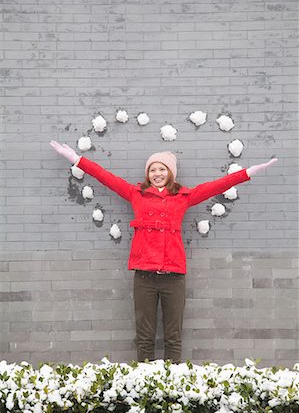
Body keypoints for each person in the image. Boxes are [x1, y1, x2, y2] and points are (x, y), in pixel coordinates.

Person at [49, 140, 277, 363]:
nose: (157, 173)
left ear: (170, 173)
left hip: (174, 276)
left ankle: (173, 387)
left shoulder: (184, 197)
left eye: (162, 169)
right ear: (148, 174)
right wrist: (75, 158)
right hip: (144, 276)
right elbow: (104, 176)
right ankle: (146, 386)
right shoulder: (135, 193)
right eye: (153, 169)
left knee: (173, 336)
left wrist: (248, 172)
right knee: (145, 337)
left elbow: (217, 186)